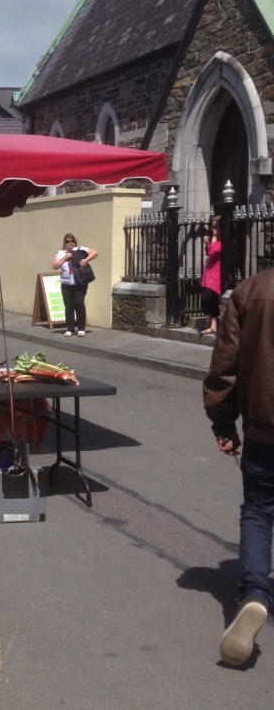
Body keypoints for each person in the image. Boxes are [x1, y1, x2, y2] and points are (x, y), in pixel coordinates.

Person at [203, 266, 274, 665]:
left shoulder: (251, 291)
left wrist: (224, 423)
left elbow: (224, 364)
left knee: (260, 511)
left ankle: (254, 593)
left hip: (266, 427)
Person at [52, 233, 98, 337]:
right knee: (68, 306)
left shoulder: (80, 249)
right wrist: (64, 258)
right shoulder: (61, 253)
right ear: (65, 243)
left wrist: (86, 260)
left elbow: (95, 252)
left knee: (79, 303)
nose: (70, 243)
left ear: (75, 242)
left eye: (72, 241)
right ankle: (70, 329)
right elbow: (54, 266)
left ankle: (81, 328)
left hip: (79, 282)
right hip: (66, 283)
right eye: (68, 241)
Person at [200, 215, 222, 335]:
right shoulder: (216, 241)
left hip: (216, 274)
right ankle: (212, 325)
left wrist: (213, 238)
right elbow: (209, 252)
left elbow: (213, 252)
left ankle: (211, 323)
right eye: (212, 227)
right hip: (209, 273)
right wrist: (207, 243)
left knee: (208, 297)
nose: (213, 230)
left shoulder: (222, 242)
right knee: (206, 299)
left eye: (216, 227)